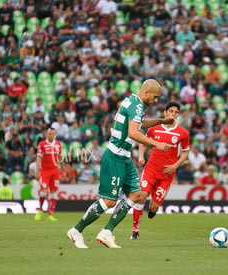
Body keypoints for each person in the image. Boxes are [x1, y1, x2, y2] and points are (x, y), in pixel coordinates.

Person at [67, 79, 172, 249]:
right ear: (146, 92)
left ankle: (107, 232)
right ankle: (76, 231)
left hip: (124, 157)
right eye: (155, 97)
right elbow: (133, 132)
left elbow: (139, 124)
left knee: (137, 195)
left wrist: (161, 121)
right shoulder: (137, 106)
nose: (156, 100)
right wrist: (156, 144)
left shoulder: (132, 101)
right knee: (109, 201)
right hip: (115, 155)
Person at [131, 101, 190, 240]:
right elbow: (143, 142)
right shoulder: (155, 127)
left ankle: (152, 211)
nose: (173, 115)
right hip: (151, 169)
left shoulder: (182, 132)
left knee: (153, 208)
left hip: (167, 174)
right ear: (165, 113)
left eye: (176, 113)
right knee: (141, 196)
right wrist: (140, 157)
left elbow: (186, 152)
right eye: (171, 112)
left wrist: (174, 166)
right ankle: (135, 230)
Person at [34, 127, 62, 222]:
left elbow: (60, 157)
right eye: (49, 133)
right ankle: (41, 210)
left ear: (55, 135)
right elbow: (39, 158)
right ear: (47, 134)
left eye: (53, 134)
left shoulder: (58, 144)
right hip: (45, 172)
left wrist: (64, 169)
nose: (51, 135)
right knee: (43, 193)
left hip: (55, 172)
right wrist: (37, 171)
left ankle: (50, 214)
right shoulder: (42, 144)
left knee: (54, 194)